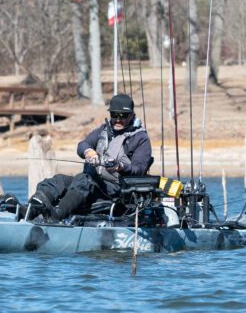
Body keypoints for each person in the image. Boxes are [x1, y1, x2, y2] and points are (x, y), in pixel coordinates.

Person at [29, 93, 153, 221]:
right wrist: (89, 152)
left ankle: (56, 215)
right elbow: (82, 145)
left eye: (123, 116)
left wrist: (120, 167)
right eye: (114, 115)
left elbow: (139, 168)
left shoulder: (140, 138)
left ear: (132, 115)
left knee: (84, 180)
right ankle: (30, 210)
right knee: (56, 181)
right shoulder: (104, 130)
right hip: (92, 182)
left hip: (116, 191)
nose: (118, 119)